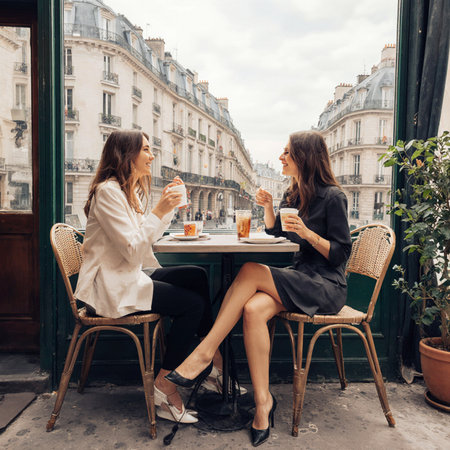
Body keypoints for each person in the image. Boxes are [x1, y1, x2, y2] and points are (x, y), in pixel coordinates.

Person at [166, 130, 352, 446]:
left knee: (251, 270)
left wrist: (308, 234)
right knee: (252, 309)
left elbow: (340, 253)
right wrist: (268, 207)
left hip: (325, 286)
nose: (281, 156)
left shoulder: (333, 197)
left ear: (304, 158)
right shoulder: (294, 196)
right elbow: (277, 231)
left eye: (287, 152)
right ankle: (263, 403)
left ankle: (205, 352)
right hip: (301, 278)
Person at [74, 130, 223, 425]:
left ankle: (211, 366)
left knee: (196, 275)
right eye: (146, 149)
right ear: (126, 154)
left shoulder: (121, 190)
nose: (152, 155)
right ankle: (165, 384)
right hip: (112, 285)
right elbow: (133, 250)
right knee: (192, 305)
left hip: (127, 273)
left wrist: (169, 209)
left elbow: (146, 238)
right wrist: (159, 209)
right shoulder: (107, 192)